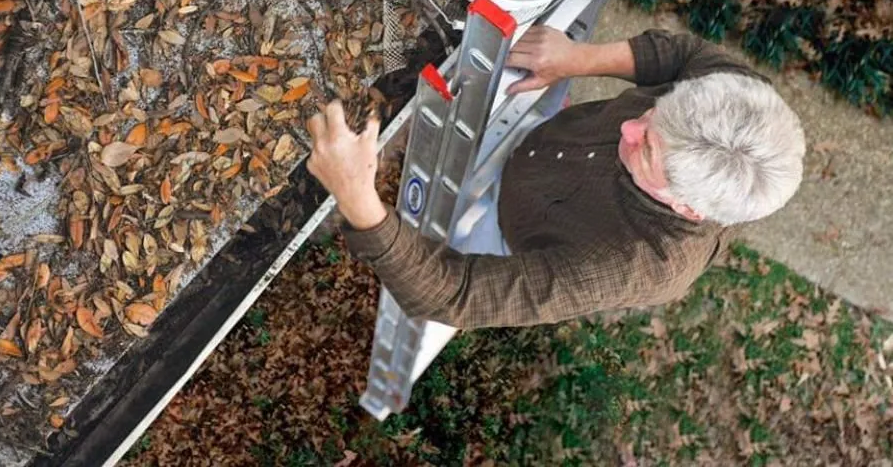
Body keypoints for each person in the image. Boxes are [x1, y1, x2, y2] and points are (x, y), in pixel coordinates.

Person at [306, 27, 805, 329]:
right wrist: (578, 58)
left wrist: (358, 198)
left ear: (688, 209)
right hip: (544, 139)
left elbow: (453, 293)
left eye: (647, 148)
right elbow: (685, 54)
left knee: (443, 263)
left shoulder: (635, 265)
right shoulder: (739, 99)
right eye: (656, 113)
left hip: (510, 227)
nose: (630, 127)